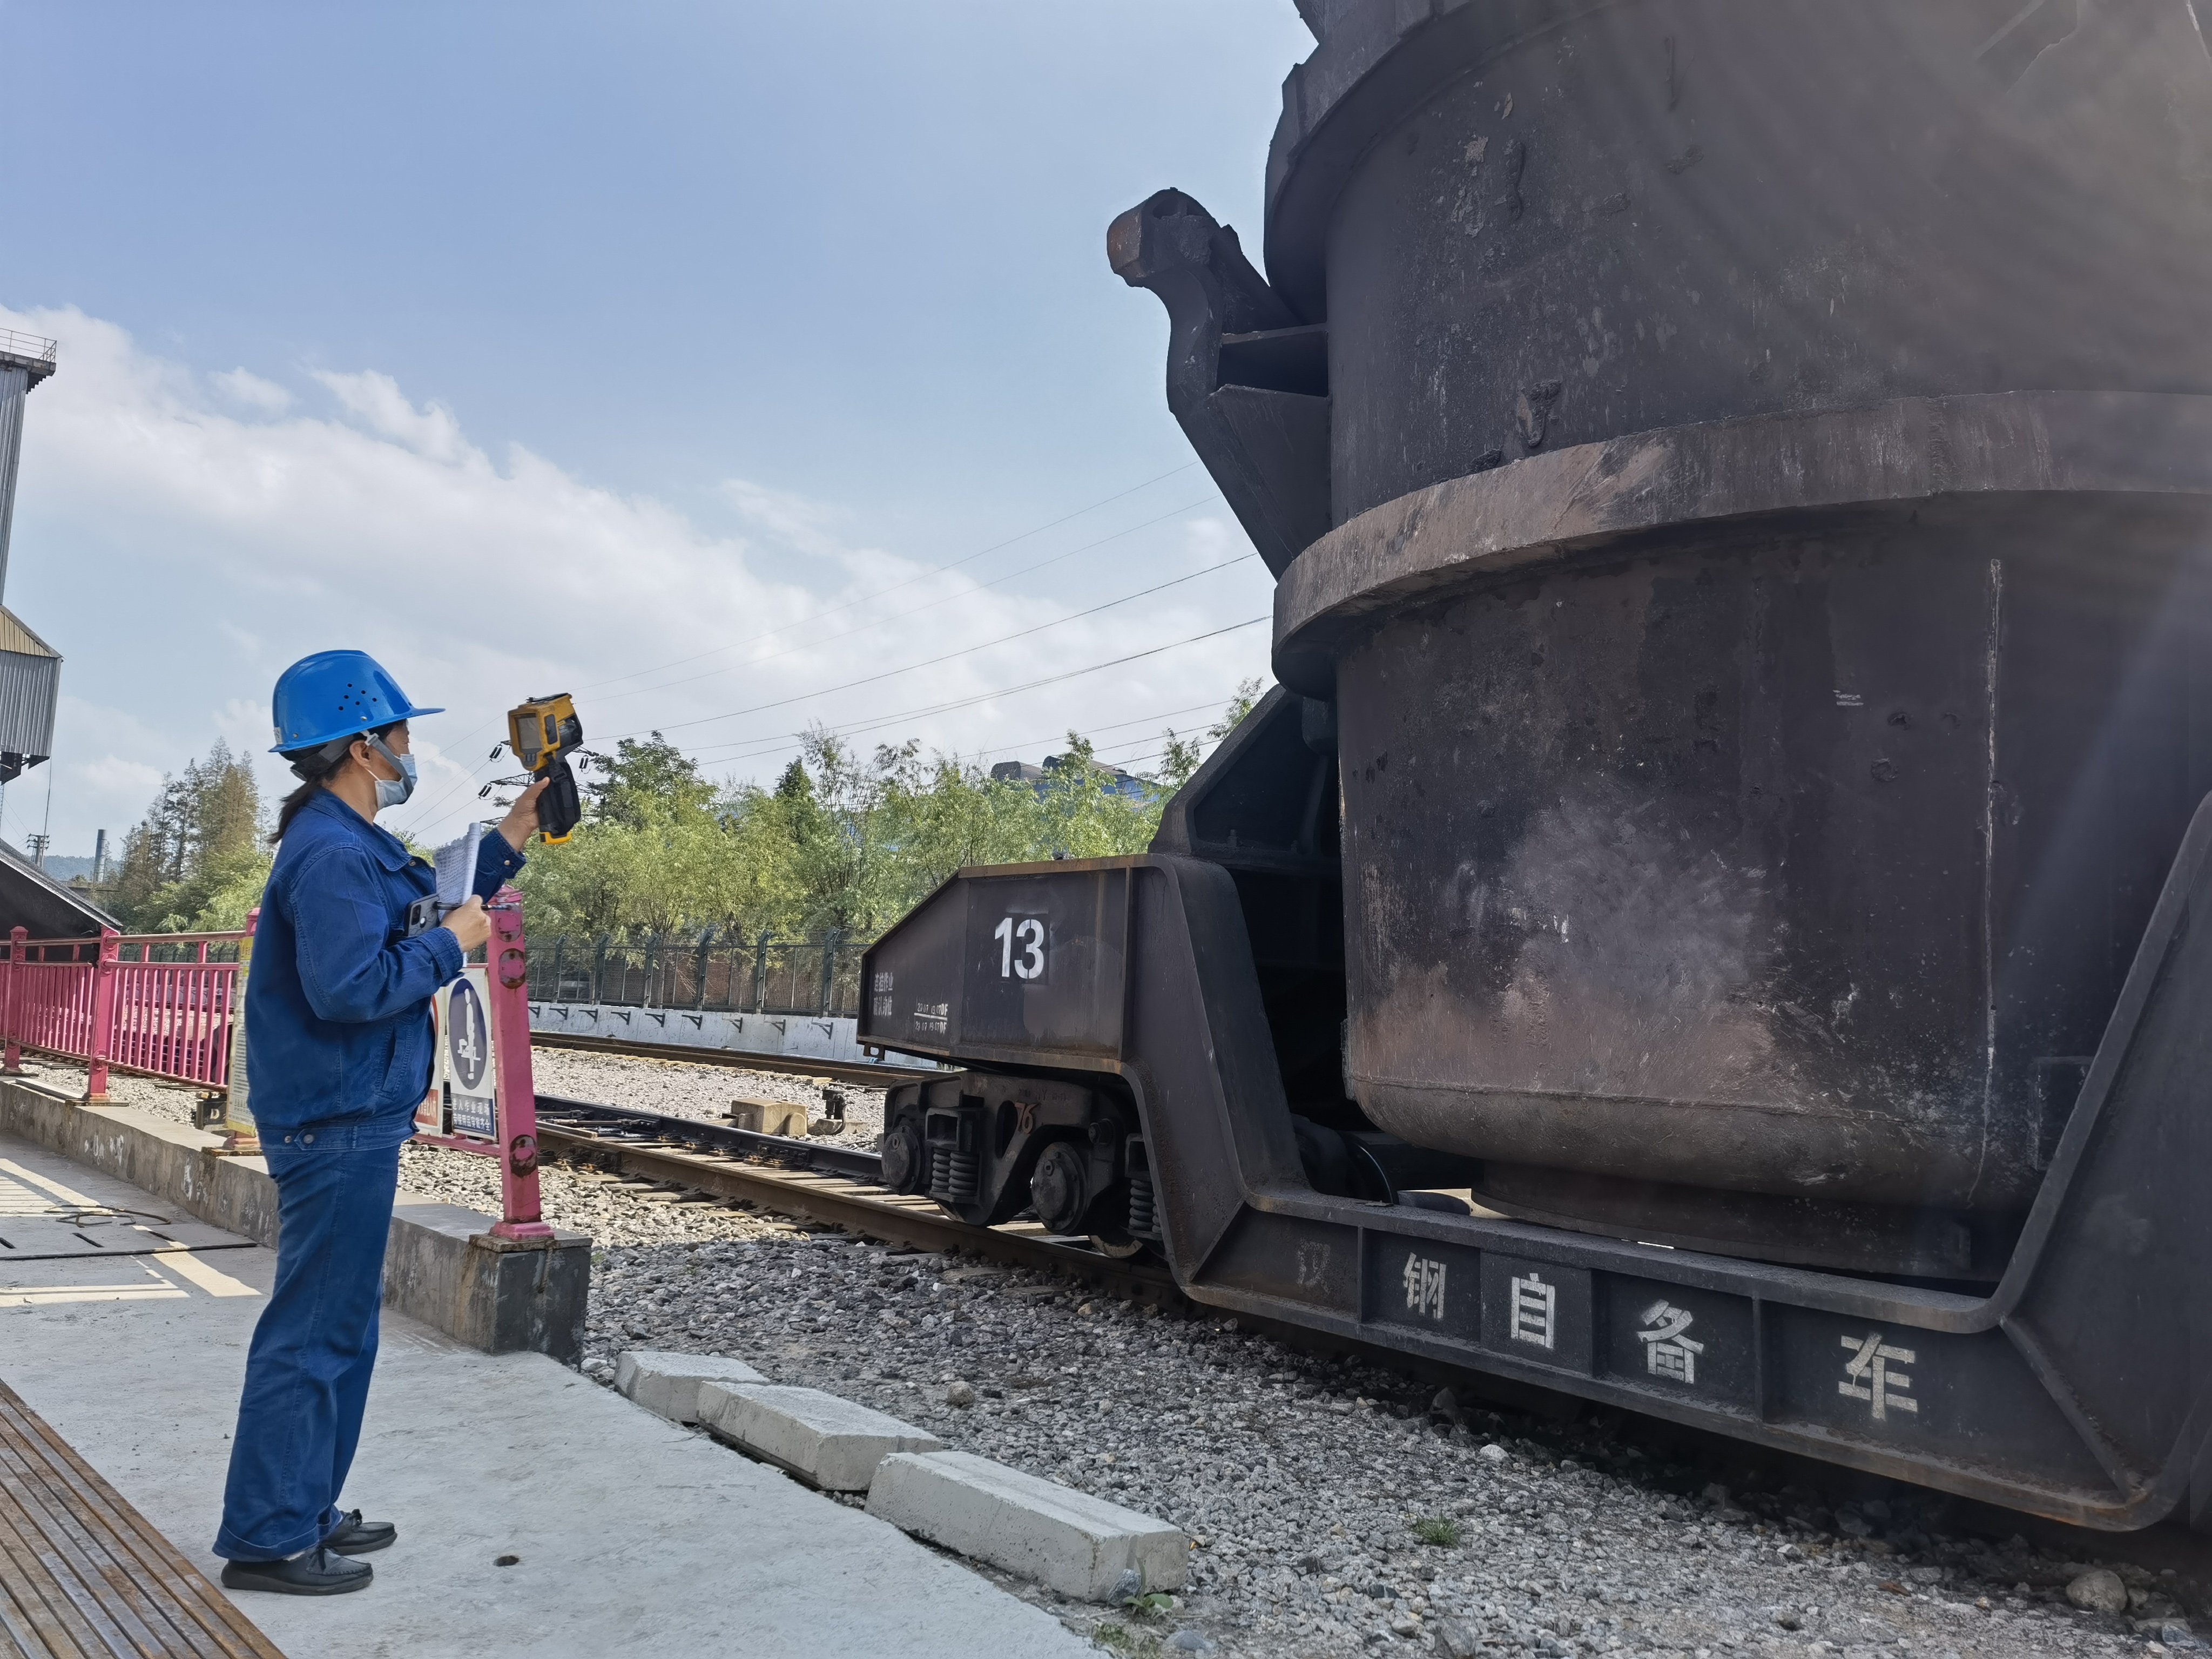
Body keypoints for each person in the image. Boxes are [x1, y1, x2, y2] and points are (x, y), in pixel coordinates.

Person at [213, 649, 547, 1595]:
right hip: (336, 1117)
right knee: (316, 1331)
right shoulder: (325, 852)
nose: (411, 751)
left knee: (341, 1327)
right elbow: (353, 985)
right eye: (403, 736)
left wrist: (515, 829)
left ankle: (305, 1506)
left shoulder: (345, 841)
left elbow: (429, 892)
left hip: (350, 1112)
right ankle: (270, 1538)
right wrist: (454, 946)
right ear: (365, 747)